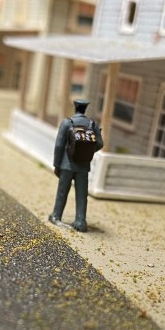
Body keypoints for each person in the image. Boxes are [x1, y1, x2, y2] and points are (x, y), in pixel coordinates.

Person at [49, 98, 103, 232]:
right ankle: (80, 221)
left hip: (66, 165)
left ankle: (56, 215)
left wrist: (57, 165)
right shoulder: (92, 124)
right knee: (82, 195)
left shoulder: (66, 123)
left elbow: (59, 145)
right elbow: (100, 144)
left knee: (62, 192)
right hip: (83, 166)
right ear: (85, 109)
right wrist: (87, 151)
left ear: (75, 108)